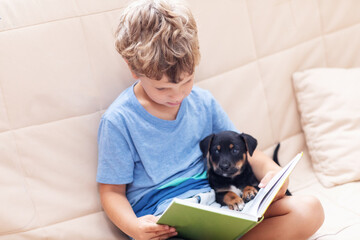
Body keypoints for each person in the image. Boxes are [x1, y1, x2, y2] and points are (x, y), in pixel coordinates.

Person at [96, 0, 325, 239]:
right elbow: (111, 192)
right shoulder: (118, 121)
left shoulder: (203, 102)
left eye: (187, 81)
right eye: (163, 89)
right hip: (167, 224)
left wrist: (274, 172)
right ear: (133, 68)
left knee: (309, 209)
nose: (178, 95)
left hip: (220, 205)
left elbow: (246, 152)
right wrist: (134, 227)